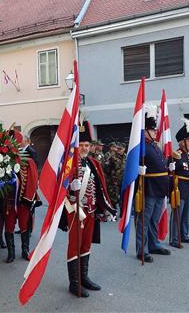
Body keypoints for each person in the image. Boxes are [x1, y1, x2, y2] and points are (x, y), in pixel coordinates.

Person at [63, 121, 115, 298]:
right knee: (74, 245)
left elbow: (100, 186)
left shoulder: (93, 163)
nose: (84, 148)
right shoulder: (69, 163)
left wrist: (106, 207)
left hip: (91, 210)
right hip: (75, 210)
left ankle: (83, 277)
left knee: (86, 244)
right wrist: (70, 186)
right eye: (82, 145)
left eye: (87, 145)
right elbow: (59, 187)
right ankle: (74, 283)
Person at [136, 108, 171, 262]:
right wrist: (139, 169)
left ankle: (153, 244)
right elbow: (131, 165)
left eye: (154, 129)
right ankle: (142, 250)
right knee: (144, 220)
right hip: (148, 188)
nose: (155, 132)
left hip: (159, 188)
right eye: (151, 129)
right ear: (144, 131)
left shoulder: (154, 146)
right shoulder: (140, 146)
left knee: (154, 219)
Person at [4, 130, 39, 263]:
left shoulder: (28, 161)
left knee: (24, 226)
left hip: (23, 201)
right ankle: (10, 253)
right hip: (9, 201)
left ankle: (25, 250)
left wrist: (29, 199)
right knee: (9, 227)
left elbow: (32, 181)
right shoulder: (4, 161)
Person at [169, 119, 189, 248]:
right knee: (177, 214)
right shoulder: (176, 155)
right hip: (178, 186)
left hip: (187, 186)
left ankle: (184, 235)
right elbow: (170, 173)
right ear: (182, 142)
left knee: (186, 213)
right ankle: (174, 238)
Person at [103, 142, 125, 212]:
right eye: (117, 148)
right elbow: (107, 169)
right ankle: (113, 213)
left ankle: (122, 212)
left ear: (124, 149)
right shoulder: (112, 157)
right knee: (114, 198)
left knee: (123, 198)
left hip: (124, 181)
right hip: (114, 181)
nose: (118, 150)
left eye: (120, 149)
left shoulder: (127, 156)